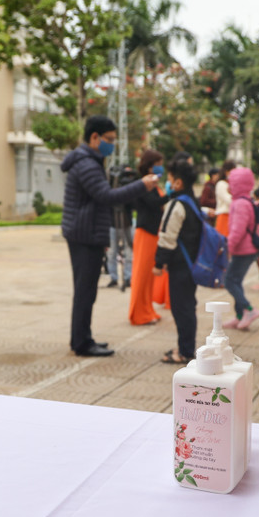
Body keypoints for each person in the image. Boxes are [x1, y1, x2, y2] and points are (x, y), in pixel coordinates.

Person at [61, 115, 159, 357]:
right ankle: (82, 343)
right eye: (109, 140)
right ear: (94, 137)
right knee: (85, 291)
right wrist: (141, 186)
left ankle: (82, 337)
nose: (112, 145)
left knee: (87, 291)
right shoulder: (86, 164)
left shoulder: (91, 161)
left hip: (86, 233)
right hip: (84, 235)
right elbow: (107, 196)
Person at [154, 158, 201, 364]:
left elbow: (167, 236)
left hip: (180, 264)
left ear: (178, 183)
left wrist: (158, 263)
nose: (168, 182)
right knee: (187, 306)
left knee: (181, 308)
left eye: (170, 179)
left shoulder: (177, 204)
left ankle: (185, 351)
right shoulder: (193, 201)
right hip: (192, 263)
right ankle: (186, 346)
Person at [129, 150, 169, 325]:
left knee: (150, 277)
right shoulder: (143, 183)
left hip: (154, 233)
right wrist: (170, 195)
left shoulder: (154, 182)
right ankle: (138, 313)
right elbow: (153, 204)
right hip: (145, 233)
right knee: (141, 275)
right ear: (150, 164)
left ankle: (148, 310)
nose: (161, 166)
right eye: (158, 162)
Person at [223, 167, 259, 330]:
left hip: (243, 250)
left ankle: (249, 310)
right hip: (248, 249)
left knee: (229, 281)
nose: (228, 185)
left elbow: (237, 231)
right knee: (236, 282)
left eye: (231, 182)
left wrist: (228, 249)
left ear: (237, 184)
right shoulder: (246, 200)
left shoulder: (239, 203)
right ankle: (240, 316)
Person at [106, 165, 136, 289]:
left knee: (129, 252)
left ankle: (128, 277)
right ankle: (113, 277)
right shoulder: (108, 188)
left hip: (126, 222)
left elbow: (134, 205)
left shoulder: (128, 189)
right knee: (112, 252)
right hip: (112, 224)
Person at [213, 160, 235, 237]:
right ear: (226, 172)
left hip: (231, 217)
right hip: (224, 216)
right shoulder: (221, 184)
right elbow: (229, 201)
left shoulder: (230, 184)